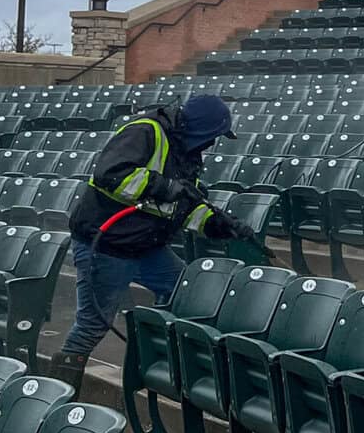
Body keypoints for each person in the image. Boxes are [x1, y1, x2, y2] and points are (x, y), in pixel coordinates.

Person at [46, 93, 248, 391]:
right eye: (214, 136)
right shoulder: (145, 131)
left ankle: (161, 355)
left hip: (145, 244)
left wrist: (218, 224)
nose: (213, 143)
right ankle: (56, 393)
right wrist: (162, 185)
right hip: (107, 244)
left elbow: (182, 205)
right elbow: (110, 175)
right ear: (202, 129)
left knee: (182, 289)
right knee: (93, 324)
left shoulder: (187, 152)